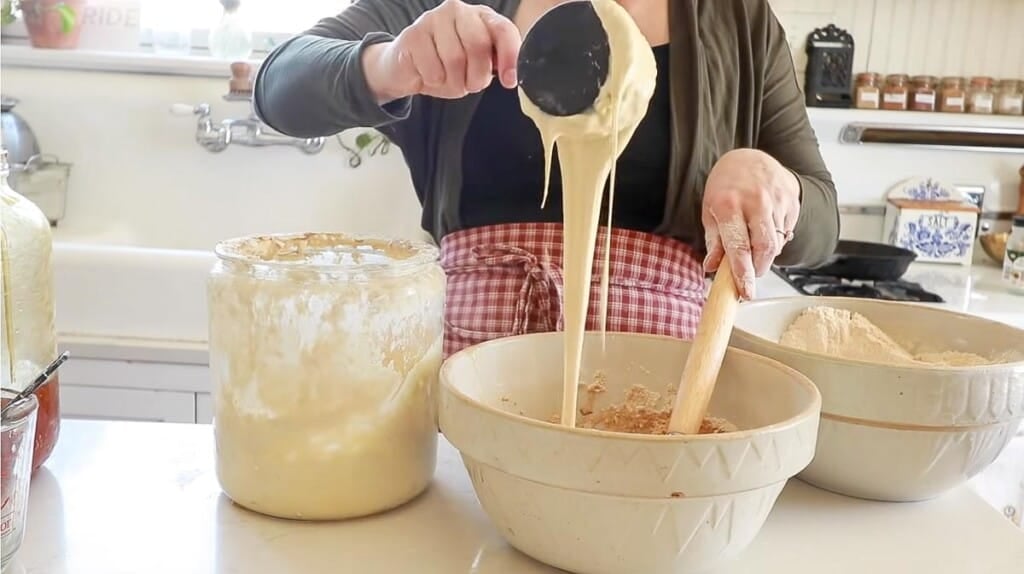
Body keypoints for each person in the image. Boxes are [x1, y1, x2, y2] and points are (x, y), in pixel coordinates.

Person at [253, 0, 840, 358]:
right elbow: (280, 88)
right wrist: (389, 64)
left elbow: (821, 227)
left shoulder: (738, 20)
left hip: (665, 396)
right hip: (462, 385)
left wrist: (773, 180)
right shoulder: (447, 7)